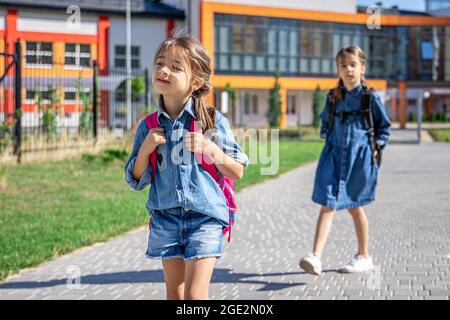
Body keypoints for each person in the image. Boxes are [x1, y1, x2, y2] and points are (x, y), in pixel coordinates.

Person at [125, 32, 248, 299]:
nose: (163, 70)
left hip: (205, 217)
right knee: (176, 296)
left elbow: (237, 170)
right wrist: (145, 150)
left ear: (195, 81)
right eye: (159, 63)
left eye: (175, 67)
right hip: (165, 218)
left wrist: (211, 149)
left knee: (194, 296)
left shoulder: (212, 121)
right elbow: (136, 179)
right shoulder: (148, 127)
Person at [299, 45, 391, 275]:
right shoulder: (333, 97)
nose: (348, 69)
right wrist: (326, 135)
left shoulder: (370, 98)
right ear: (338, 69)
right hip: (333, 157)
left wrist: (377, 147)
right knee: (327, 203)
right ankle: (315, 256)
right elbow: (323, 123)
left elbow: (384, 126)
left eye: (353, 64)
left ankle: (364, 256)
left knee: (355, 206)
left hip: (359, 160)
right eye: (343, 65)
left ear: (362, 67)